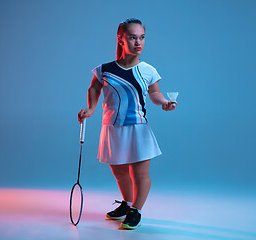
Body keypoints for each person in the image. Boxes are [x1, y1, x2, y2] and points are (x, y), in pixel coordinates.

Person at [77, 18, 176, 230]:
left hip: (138, 129)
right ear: (121, 39)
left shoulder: (148, 70)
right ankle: (128, 203)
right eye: (132, 38)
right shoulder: (104, 69)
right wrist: (91, 109)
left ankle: (136, 210)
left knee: (140, 174)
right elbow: (94, 88)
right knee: (120, 172)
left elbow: (155, 93)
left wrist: (165, 103)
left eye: (142, 38)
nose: (138, 43)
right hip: (111, 128)